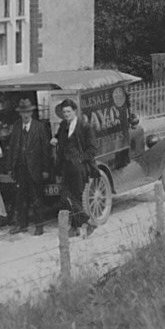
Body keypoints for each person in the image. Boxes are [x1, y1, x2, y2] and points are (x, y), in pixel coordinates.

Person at [7, 96, 53, 235]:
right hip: (20, 169)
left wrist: (45, 169)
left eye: (27, 112)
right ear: (20, 113)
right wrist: (10, 167)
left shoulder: (40, 127)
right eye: (23, 112)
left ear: (31, 113)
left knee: (36, 198)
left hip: (36, 169)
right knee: (21, 198)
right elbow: (12, 147)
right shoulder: (16, 126)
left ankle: (39, 226)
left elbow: (46, 150)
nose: (25, 115)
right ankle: (22, 225)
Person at [52, 99, 98, 237]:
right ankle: (86, 223)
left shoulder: (84, 126)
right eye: (64, 112)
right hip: (66, 167)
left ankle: (76, 227)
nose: (66, 114)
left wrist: (80, 159)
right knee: (66, 197)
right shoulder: (62, 126)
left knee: (75, 196)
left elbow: (93, 149)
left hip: (79, 168)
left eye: (68, 111)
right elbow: (59, 140)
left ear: (75, 111)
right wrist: (55, 140)